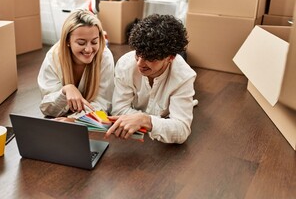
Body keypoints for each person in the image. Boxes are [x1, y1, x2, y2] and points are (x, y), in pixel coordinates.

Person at [105, 14, 197, 144]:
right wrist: (160, 122)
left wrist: (145, 120)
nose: (140, 63)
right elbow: (119, 109)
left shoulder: (184, 77)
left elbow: (181, 131)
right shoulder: (126, 64)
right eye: (138, 54)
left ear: (170, 58)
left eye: (150, 58)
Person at [37, 9, 114, 119]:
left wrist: (73, 120)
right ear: (68, 41)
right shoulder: (54, 56)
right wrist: (65, 91)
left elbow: (103, 105)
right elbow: (48, 109)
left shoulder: (105, 56)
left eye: (94, 42)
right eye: (81, 43)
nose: (88, 49)